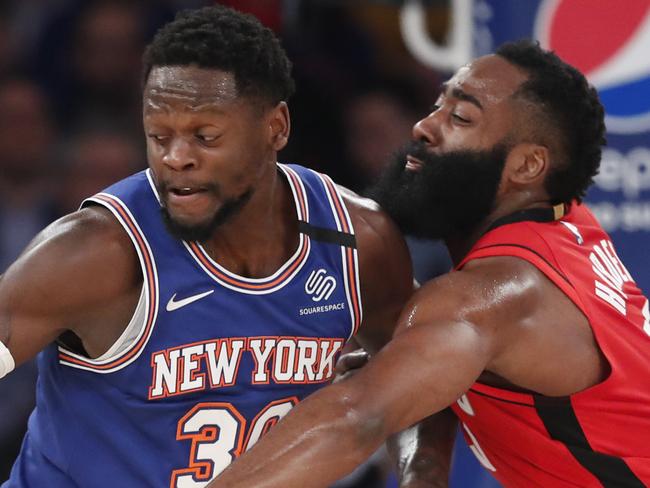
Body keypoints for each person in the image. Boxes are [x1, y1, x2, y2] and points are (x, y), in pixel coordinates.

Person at [0, 6, 414, 487]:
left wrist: (420, 475)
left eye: (205, 136)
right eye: (159, 136)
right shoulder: (98, 251)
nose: (176, 158)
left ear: (276, 127)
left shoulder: (355, 241)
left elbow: (420, 385)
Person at [208, 40, 650, 488]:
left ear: (528, 165)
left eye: (460, 118)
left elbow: (354, 419)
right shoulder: (564, 220)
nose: (423, 127)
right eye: (438, 105)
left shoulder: (492, 295)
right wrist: (423, 470)